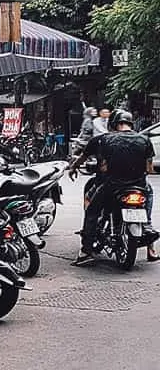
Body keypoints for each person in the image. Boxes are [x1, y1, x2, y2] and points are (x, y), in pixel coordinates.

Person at [68, 109, 157, 264]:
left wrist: (74, 167)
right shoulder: (144, 140)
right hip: (139, 186)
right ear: (131, 123)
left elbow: (97, 165)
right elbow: (149, 169)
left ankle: (86, 251)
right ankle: (150, 239)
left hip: (112, 187)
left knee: (92, 211)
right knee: (148, 196)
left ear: (113, 124)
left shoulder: (104, 139)